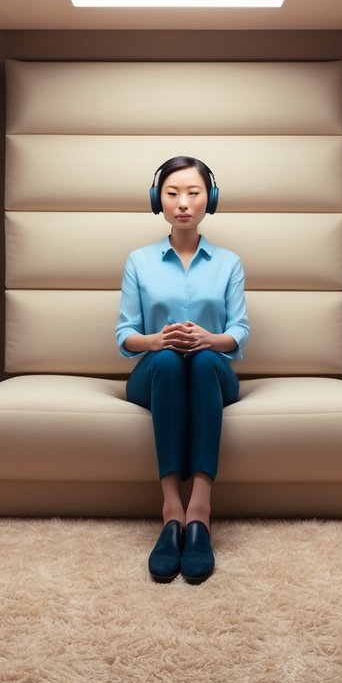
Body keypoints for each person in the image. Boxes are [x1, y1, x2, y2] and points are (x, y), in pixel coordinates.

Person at [116, 156, 249, 584]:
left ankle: (199, 514)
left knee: (205, 358)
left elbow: (240, 330)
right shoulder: (139, 260)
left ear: (210, 198)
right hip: (157, 371)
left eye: (193, 192)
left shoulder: (228, 262)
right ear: (159, 199)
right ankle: (171, 510)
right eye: (172, 193)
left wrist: (210, 339)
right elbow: (125, 335)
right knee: (173, 360)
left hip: (213, 370)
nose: (183, 203)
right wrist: (158, 341)